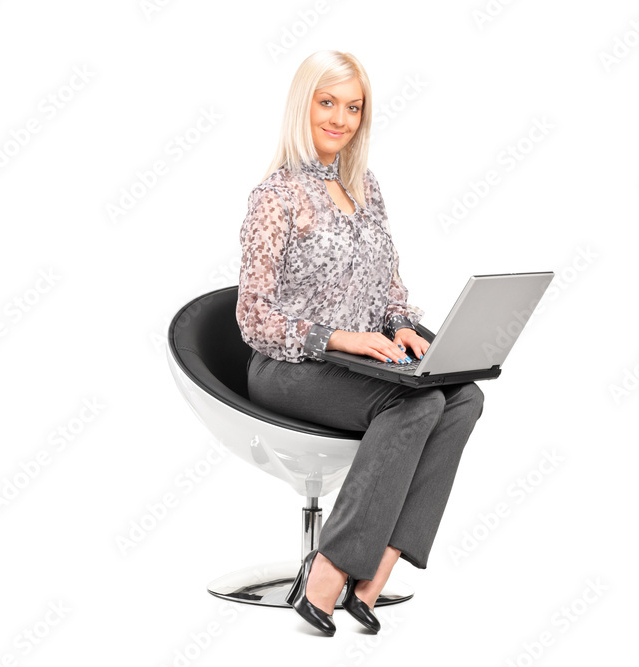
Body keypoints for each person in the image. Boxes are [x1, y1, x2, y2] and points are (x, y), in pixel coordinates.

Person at [236, 50, 485, 636]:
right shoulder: (276, 196)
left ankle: (379, 567)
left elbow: (389, 285)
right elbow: (252, 317)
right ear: (304, 105)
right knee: (416, 402)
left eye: (354, 107)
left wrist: (399, 323)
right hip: (291, 364)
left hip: (362, 364)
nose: (340, 118)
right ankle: (332, 566)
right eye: (328, 102)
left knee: (464, 396)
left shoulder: (366, 187)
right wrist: (339, 337)